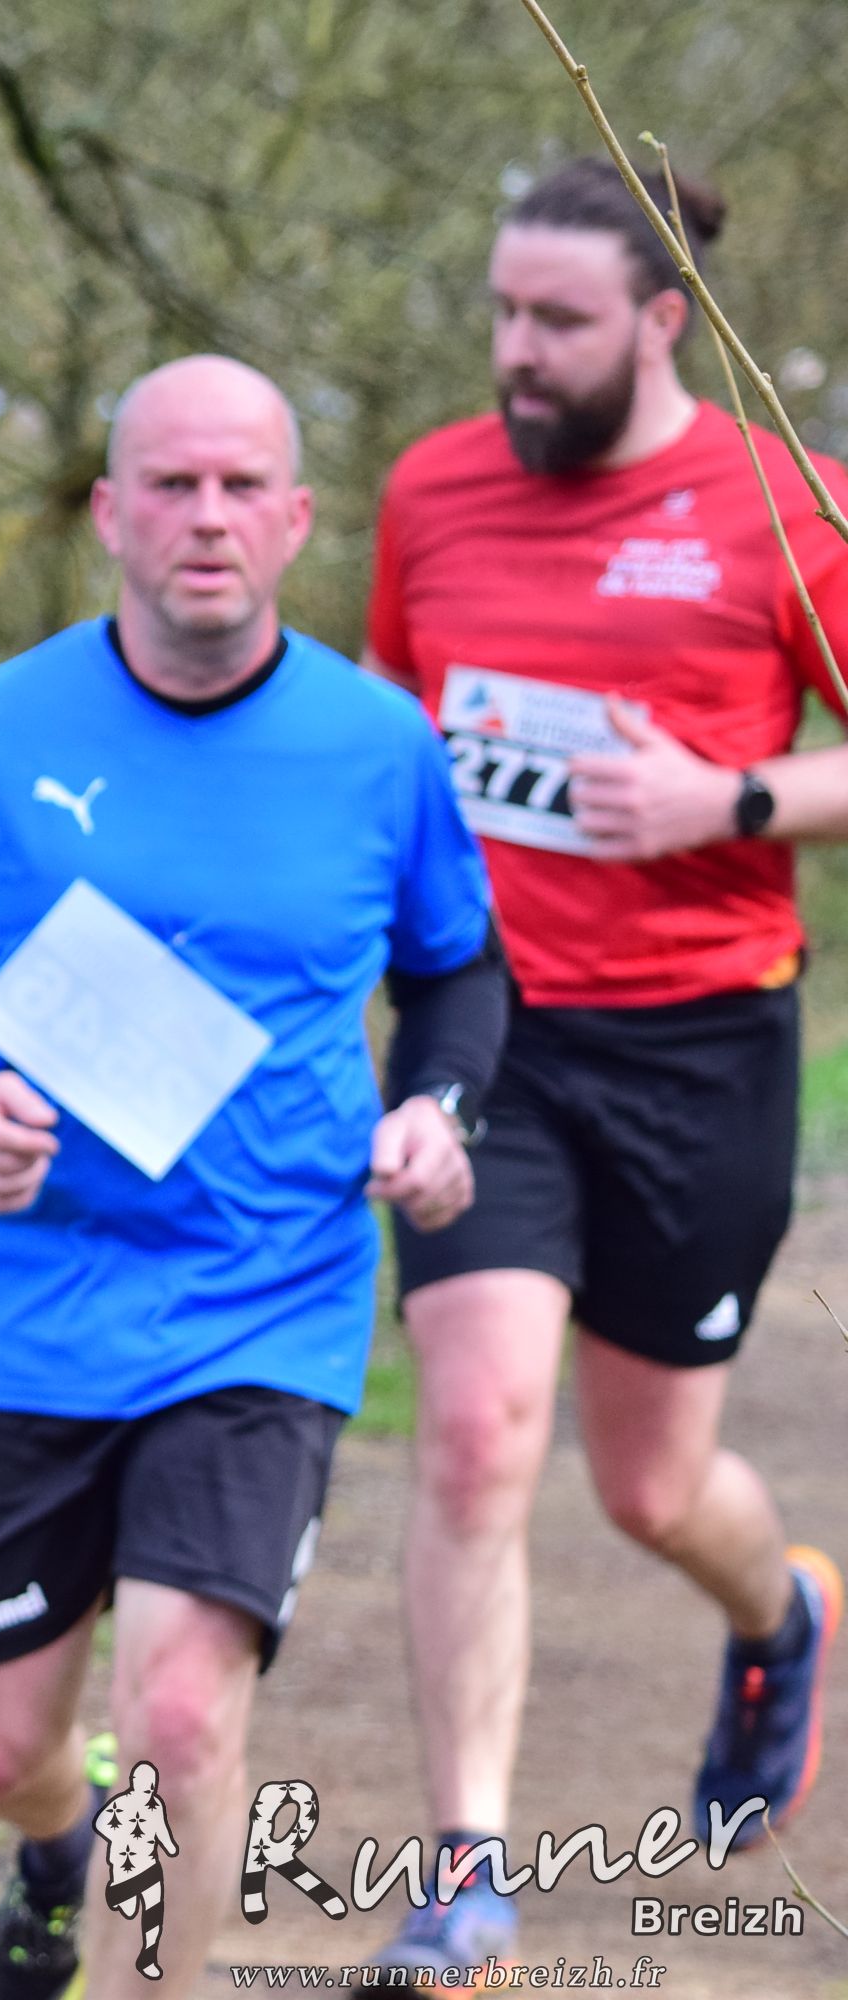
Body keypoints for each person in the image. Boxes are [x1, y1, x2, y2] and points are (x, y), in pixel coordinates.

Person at [0, 355, 504, 2000]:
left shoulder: (378, 743)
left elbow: (462, 972)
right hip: (39, 1301)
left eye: (239, 486)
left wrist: (439, 1112)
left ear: (297, 517)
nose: (207, 517)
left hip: (268, 1292)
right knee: (0, 1746)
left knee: (185, 1714)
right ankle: (62, 1852)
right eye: (172, 485)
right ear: (111, 513)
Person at [363, 157, 848, 1974]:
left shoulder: (782, 503)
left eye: (557, 321)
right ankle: (466, 1873)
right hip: (485, 1027)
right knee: (479, 1429)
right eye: (503, 311)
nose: (516, 350)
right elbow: (388, 730)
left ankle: (782, 1615)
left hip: (702, 1041)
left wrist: (728, 798)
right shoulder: (433, 488)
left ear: (661, 320)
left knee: (649, 1485)